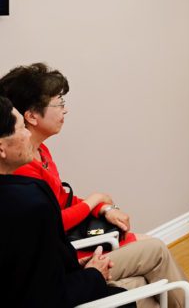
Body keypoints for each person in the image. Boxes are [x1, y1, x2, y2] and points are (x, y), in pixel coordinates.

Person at [0, 63, 189, 308]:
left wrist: (103, 209)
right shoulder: (24, 193)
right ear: (31, 116)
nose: (65, 111)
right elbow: (46, 280)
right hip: (72, 267)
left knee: (144, 275)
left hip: (69, 268)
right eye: (59, 104)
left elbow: (63, 201)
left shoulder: (38, 156)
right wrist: (94, 202)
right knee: (150, 265)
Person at [0, 95, 130, 307]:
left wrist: (104, 208)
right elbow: (45, 295)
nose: (27, 135)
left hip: (68, 270)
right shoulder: (27, 202)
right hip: (70, 285)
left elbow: (34, 271)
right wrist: (93, 275)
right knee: (147, 274)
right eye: (22, 128)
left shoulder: (34, 174)